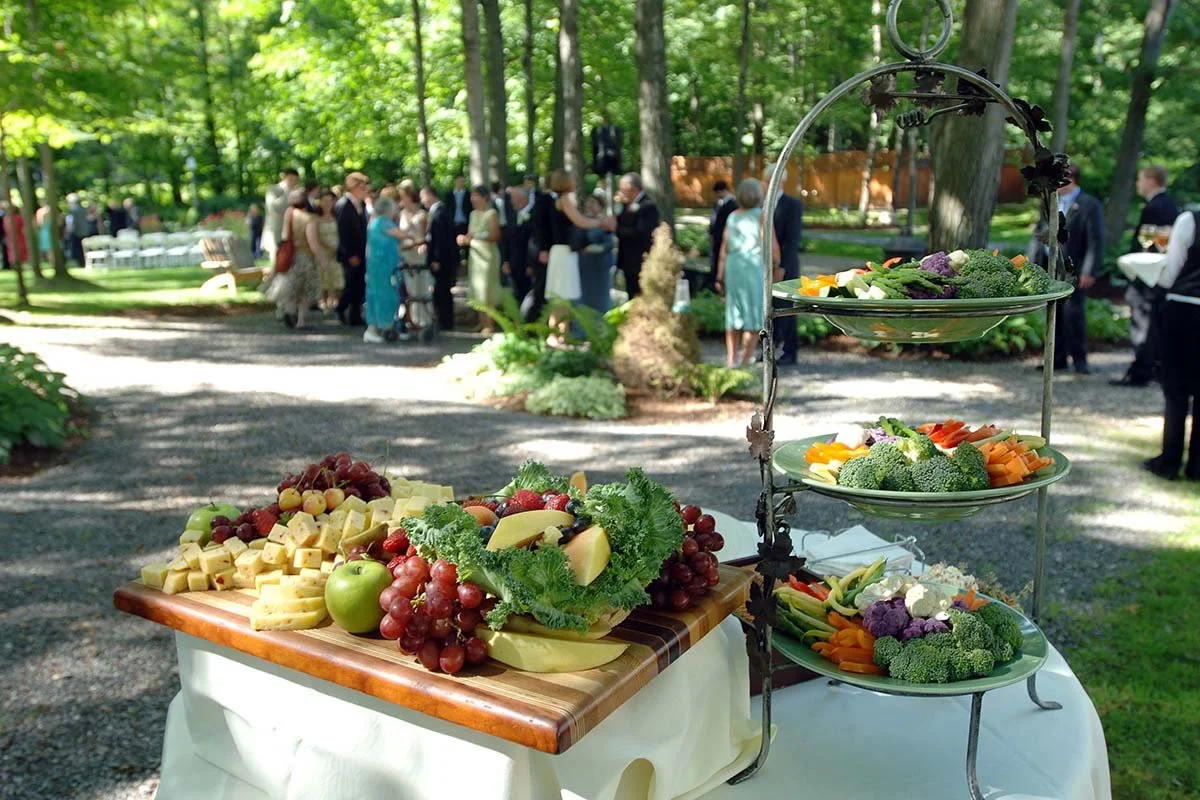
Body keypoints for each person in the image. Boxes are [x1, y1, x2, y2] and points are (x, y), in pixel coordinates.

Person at [1144, 207, 1200, 481]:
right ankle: (1197, 466)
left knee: (1176, 390)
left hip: (1185, 311)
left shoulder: (1191, 219)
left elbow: (1172, 268)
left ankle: (1169, 461)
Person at [1112, 165, 1179, 387]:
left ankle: (1142, 370)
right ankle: (1152, 367)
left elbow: (1153, 245)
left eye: (1140, 179)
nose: (1138, 183)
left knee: (1143, 323)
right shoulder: (1169, 203)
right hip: (1159, 278)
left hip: (1148, 276)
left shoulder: (1155, 207)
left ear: (1152, 180)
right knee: (1154, 324)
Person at [716, 178, 781, 368]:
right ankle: (744, 363)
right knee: (753, 316)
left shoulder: (732, 216)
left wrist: (720, 276)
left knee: (733, 314)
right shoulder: (762, 216)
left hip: (733, 267)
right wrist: (776, 265)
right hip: (752, 268)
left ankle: (730, 360)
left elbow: (724, 249)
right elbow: (773, 248)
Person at [1051, 164, 1105, 375]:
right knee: (1055, 313)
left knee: (1074, 314)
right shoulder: (1051, 202)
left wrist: (1089, 271)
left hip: (1076, 267)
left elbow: (1096, 240)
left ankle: (1080, 359)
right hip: (1052, 267)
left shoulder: (1089, 205)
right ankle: (1057, 358)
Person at [544, 169, 606, 310]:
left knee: (561, 299)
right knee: (562, 298)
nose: (575, 182)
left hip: (559, 251)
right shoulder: (565, 200)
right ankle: (558, 331)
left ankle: (559, 330)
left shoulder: (556, 199)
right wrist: (601, 222)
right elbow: (580, 221)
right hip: (564, 252)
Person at [767, 162, 803, 366]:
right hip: (768, 267)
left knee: (787, 309)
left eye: (768, 180)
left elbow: (793, 240)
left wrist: (782, 267)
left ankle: (790, 351)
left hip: (786, 266)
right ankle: (769, 348)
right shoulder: (765, 205)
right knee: (769, 309)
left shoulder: (792, 205)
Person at [457, 185, 504, 333]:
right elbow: (470, 234)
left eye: (475, 196)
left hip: (488, 256)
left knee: (487, 288)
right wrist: (464, 238)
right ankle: (481, 321)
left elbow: (495, 236)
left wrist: (476, 237)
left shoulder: (491, 214)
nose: (472, 199)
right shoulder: (472, 214)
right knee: (476, 287)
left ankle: (489, 324)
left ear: (484, 197)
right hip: (475, 255)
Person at [364, 195, 406, 344]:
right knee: (386, 295)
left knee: (377, 295)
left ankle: (379, 327)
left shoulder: (374, 222)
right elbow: (402, 234)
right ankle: (380, 327)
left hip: (377, 265)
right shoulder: (384, 222)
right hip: (384, 266)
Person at [278, 189, 322, 330]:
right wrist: (322, 258)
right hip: (305, 256)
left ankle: (289, 310)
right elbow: (312, 242)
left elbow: (284, 236)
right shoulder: (309, 218)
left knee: (292, 287)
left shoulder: (289, 214)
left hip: (290, 255)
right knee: (305, 290)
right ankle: (301, 320)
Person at [613, 172, 658, 298]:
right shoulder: (626, 205)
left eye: (623, 190)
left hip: (639, 261)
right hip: (627, 261)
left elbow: (641, 233)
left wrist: (616, 229)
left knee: (640, 296)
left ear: (634, 189)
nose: (621, 193)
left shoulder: (648, 206)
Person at [335, 171, 370, 327]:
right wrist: (350, 254)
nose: (365, 190)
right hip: (350, 254)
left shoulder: (360, 205)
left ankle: (355, 315)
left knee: (359, 284)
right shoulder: (344, 205)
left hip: (361, 251)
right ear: (354, 187)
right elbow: (343, 233)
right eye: (362, 187)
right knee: (351, 284)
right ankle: (341, 308)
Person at [422, 184, 458, 331]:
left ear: (430, 195)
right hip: (442, 258)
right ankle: (444, 320)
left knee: (442, 291)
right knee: (440, 290)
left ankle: (445, 322)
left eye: (423, 197)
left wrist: (436, 258)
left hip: (441, 260)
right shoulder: (439, 212)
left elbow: (441, 240)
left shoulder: (439, 213)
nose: (423, 201)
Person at [578, 194, 616, 314]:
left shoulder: (605, 222)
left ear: (600, 206)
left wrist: (591, 249)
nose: (590, 205)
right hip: (584, 264)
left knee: (599, 295)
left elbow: (609, 243)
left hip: (600, 264)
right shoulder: (581, 221)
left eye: (593, 203)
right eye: (588, 202)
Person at [503, 186, 536, 308]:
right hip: (513, 263)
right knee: (516, 294)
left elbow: (535, 242)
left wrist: (531, 264)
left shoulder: (534, 215)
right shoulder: (512, 215)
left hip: (527, 264)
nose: (511, 201)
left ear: (523, 199)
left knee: (529, 295)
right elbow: (507, 240)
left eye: (513, 198)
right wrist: (506, 260)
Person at [312, 190, 342, 312]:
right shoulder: (316, 218)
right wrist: (327, 247)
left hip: (337, 251)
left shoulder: (338, 216)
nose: (327, 203)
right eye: (325, 201)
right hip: (323, 251)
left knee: (338, 278)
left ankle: (336, 302)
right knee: (323, 277)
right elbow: (316, 237)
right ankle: (323, 302)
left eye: (330, 200)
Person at [262, 168, 300, 264]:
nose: (294, 182)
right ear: (285, 177)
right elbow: (273, 207)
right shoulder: (274, 189)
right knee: (277, 263)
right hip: (276, 233)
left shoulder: (297, 191)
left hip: (293, 233)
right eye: (291, 179)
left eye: (295, 180)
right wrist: (289, 192)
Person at [707, 180, 736, 293]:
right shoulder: (717, 204)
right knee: (714, 261)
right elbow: (713, 220)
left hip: (724, 239)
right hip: (715, 239)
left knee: (722, 261)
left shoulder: (732, 205)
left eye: (719, 192)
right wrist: (710, 232)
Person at [65, 194, 88, 265]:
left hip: (76, 232)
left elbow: (71, 223)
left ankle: (80, 263)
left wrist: (68, 231)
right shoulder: (83, 209)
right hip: (84, 231)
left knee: (77, 249)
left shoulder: (73, 210)